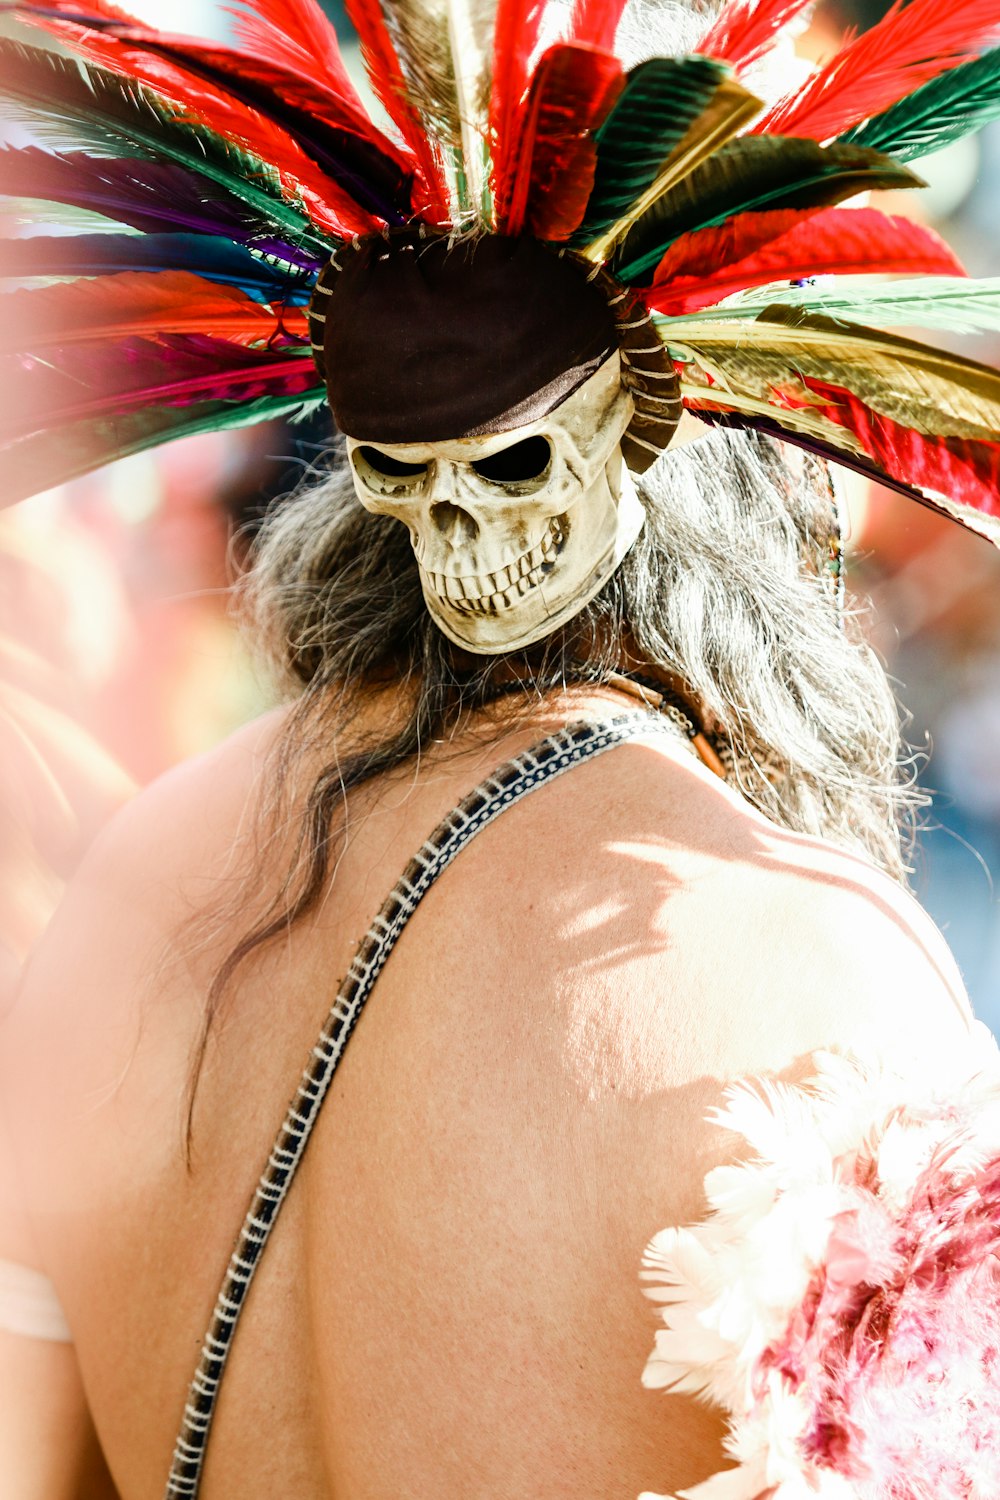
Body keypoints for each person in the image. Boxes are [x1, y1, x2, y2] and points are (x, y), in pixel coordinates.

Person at [2, 0, 1000, 1496]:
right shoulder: (810, 966)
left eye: (517, 463)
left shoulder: (138, 883)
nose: (467, 526)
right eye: (422, 473)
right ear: (783, 469)